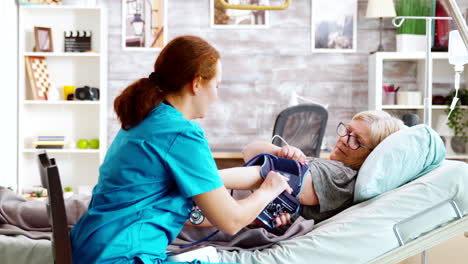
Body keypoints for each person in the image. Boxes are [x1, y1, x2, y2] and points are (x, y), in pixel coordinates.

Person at [70, 35, 292, 264]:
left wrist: (252, 213)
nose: (216, 96)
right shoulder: (182, 133)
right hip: (120, 257)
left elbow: (175, 206)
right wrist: (268, 191)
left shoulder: (144, 120)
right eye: (216, 86)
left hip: (93, 249)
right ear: (197, 84)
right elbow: (230, 222)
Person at [238, 110, 407, 223]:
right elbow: (249, 151)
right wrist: (279, 151)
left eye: (358, 140)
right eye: (347, 131)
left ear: (372, 154)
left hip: (242, 219)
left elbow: (272, 174)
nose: (345, 139)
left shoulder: (341, 176)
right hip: (241, 215)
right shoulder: (327, 164)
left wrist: (212, 181)